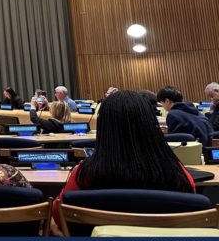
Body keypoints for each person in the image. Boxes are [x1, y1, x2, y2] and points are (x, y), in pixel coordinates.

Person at [52, 90, 196, 228]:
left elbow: (59, 216)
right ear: (150, 124)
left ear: (104, 128)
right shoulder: (176, 172)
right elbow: (192, 209)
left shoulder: (83, 173)